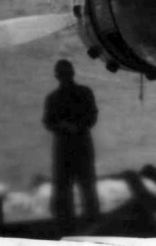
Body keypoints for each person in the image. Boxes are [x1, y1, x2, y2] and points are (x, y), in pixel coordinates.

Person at [43, 59, 100, 230]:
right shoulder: (85, 92)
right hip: (81, 146)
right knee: (86, 186)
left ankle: (66, 227)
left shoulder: (52, 98)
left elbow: (48, 122)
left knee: (65, 189)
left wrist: (63, 126)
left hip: (64, 149)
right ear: (72, 73)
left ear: (56, 76)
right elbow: (92, 116)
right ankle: (92, 225)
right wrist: (78, 127)